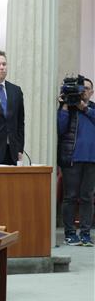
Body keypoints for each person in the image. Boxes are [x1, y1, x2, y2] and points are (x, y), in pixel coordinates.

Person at [57, 77, 94, 246]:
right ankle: (70, 233)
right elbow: (60, 128)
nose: (83, 91)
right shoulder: (67, 109)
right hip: (71, 158)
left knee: (87, 197)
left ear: (91, 92)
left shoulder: (92, 109)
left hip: (91, 160)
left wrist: (84, 108)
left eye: (87, 88)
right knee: (70, 197)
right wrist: (65, 105)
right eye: (81, 88)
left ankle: (86, 233)